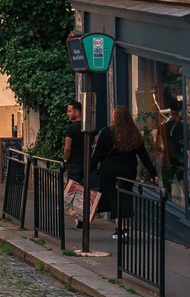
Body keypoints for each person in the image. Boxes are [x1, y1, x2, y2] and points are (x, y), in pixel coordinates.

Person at [92, 106, 157, 235]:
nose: (111, 116)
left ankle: (120, 228)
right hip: (128, 170)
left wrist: (88, 171)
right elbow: (144, 155)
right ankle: (121, 227)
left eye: (113, 114)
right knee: (124, 196)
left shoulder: (106, 132)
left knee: (113, 197)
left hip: (109, 170)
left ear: (115, 118)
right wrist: (153, 173)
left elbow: (97, 155)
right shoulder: (134, 134)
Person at [63, 100, 87, 183]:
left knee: (73, 190)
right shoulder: (88, 128)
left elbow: (67, 147)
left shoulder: (71, 128)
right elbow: (96, 142)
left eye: (69, 111)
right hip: (86, 162)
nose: (67, 114)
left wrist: (66, 160)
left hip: (74, 162)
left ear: (77, 112)